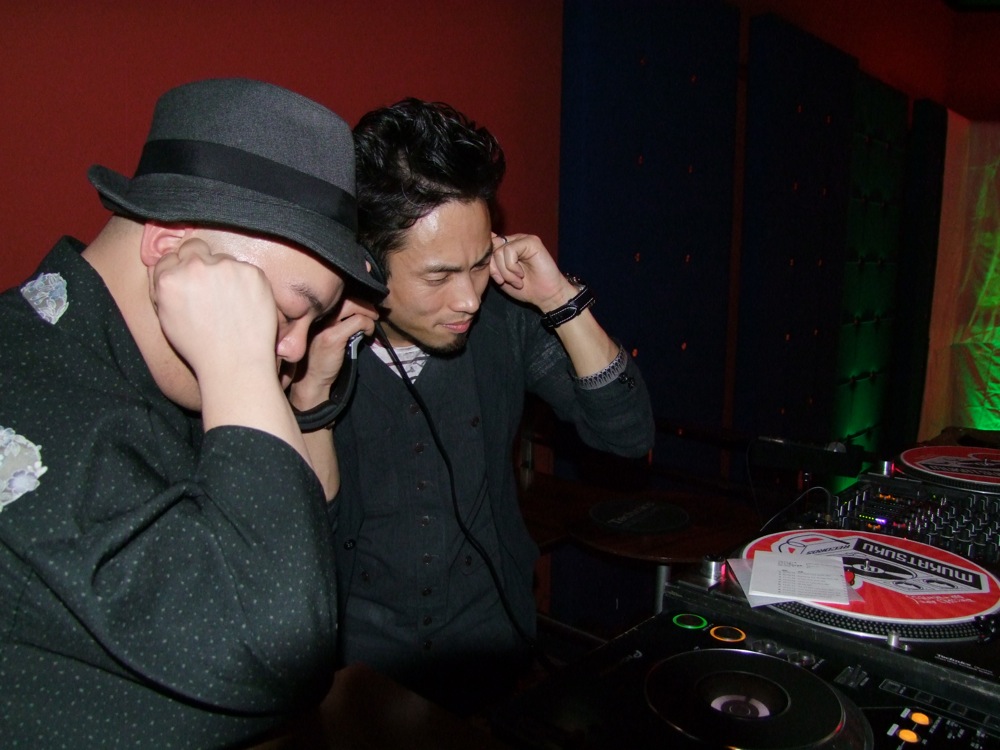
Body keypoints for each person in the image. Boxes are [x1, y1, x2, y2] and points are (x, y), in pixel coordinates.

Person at [0, 78, 385, 747]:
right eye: (287, 312)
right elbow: (284, 652)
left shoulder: (141, 366)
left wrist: (292, 396)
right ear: (172, 250)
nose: (294, 349)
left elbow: (304, 545)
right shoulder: (33, 399)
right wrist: (240, 364)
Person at [317, 98, 656, 714]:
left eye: (478, 266)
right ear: (365, 261)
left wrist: (559, 301)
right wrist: (312, 393)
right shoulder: (307, 349)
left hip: (491, 647)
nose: (469, 299)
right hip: (355, 669)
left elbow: (627, 436)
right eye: (439, 276)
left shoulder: (505, 322)